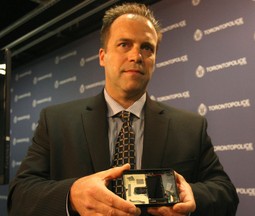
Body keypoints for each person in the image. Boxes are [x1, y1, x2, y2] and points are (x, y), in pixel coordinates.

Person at [8, 2, 239, 216]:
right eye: (124, 44)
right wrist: (71, 195)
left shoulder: (190, 127)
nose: (136, 56)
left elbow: (226, 194)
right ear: (102, 56)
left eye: (147, 48)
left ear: (155, 59)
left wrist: (192, 196)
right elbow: (19, 196)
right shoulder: (56, 121)